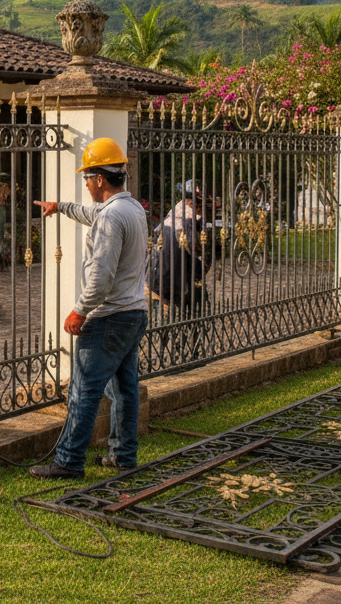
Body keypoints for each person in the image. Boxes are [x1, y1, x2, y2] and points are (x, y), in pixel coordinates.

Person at [29, 137, 149, 479]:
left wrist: (80, 310)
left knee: (84, 389)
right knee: (124, 389)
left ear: (99, 179)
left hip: (109, 317)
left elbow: (101, 276)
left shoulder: (113, 217)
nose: (85, 183)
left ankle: (68, 461)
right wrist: (61, 206)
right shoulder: (132, 208)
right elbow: (92, 213)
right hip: (134, 313)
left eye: (87, 177)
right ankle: (123, 455)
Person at [149, 179, 220, 319]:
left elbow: (155, 236)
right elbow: (194, 249)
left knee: (162, 321)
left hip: (157, 275)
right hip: (178, 280)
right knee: (193, 310)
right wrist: (204, 266)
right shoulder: (189, 218)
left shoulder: (174, 211)